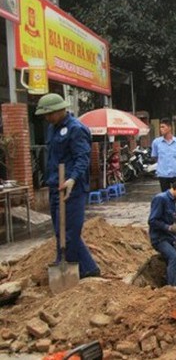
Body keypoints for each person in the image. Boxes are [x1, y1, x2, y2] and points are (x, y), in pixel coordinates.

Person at [35, 93, 100, 278]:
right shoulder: (52, 128)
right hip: (56, 185)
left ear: (60, 110)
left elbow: (82, 158)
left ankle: (71, 272)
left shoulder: (76, 129)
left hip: (73, 188)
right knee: (59, 230)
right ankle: (88, 268)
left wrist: (72, 179)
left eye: (49, 114)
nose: (46, 118)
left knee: (70, 232)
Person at [148, 177, 176, 288]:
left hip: (168, 238)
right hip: (159, 239)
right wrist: (169, 228)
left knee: (174, 259)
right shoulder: (160, 199)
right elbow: (152, 221)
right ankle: (174, 289)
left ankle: (172, 282)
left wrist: (175, 233)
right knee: (174, 257)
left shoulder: (172, 201)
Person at [151, 118, 176, 223]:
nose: (161, 129)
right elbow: (155, 157)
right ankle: (171, 220)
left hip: (175, 173)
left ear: (169, 128)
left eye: (163, 127)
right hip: (163, 174)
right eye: (160, 127)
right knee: (166, 198)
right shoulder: (156, 142)